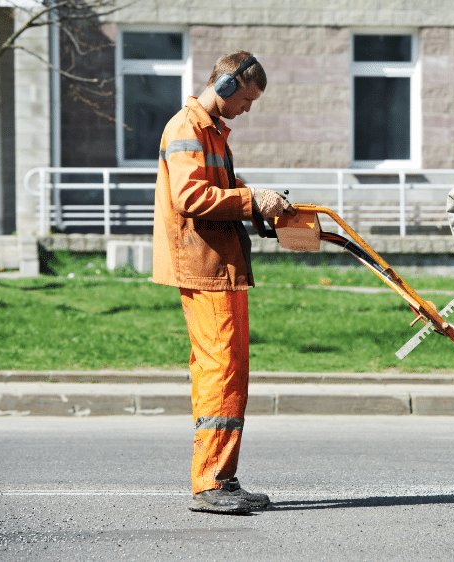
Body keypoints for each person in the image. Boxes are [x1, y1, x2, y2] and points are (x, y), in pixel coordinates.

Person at [152, 50, 292, 514]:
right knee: (222, 372)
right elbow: (190, 195)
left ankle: (221, 477)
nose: (247, 109)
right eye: (246, 99)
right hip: (207, 268)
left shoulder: (211, 133)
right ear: (227, 85)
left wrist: (260, 209)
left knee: (226, 371)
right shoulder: (187, 129)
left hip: (219, 265)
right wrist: (253, 200)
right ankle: (210, 482)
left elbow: (220, 191)